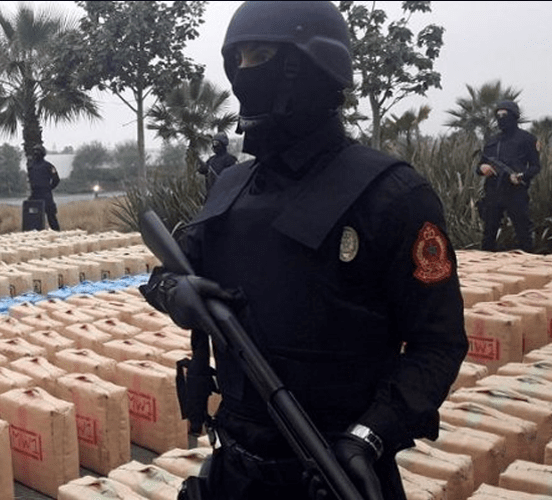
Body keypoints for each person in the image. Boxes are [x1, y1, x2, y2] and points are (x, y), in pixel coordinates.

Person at [139, 2, 468, 499]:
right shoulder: (230, 188)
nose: (244, 74)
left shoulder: (392, 195)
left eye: (261, 56)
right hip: (234, 473)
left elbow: (438, 344)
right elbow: (166, 272)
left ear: (313, 66)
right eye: (238, 60)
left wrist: (369, 437)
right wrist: (174, 295)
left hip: (335, 475)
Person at [476, 100, 541, 252]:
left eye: (504, 115)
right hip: (493, 191)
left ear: (514, 116)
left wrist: (521, 176)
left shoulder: (527, 139)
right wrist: (482, 168)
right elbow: (479, 166)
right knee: (488, 235)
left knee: (523, 233)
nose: (501, 118)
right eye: (498, 115)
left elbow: (535, 166)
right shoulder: (492, 141)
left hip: (515, 192)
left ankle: (527, 263)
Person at [26, 144, 60, 231]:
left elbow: (56, 179)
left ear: (43, 153)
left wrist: (49, 188)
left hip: (45, 194)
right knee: (33, 217)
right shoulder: (31, 167)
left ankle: (56, 233)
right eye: (35, 151)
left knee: (51, 216)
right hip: (35, 195)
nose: (36, 153)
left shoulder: (48, 166)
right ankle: (35, 233)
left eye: (38, 151)